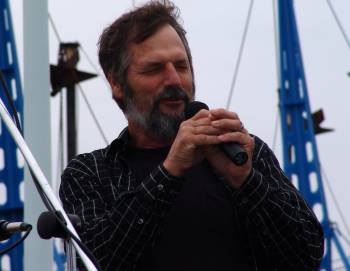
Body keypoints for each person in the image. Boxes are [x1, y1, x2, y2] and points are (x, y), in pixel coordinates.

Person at [59, 1, 324, 270]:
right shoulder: (89, 173)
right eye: (154, 69)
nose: (174, 80)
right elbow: (94, 260)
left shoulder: (246, 154)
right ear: (116, 83)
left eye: (181, 66)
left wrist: (245, 181)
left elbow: (307, 254)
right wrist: (170, 171)